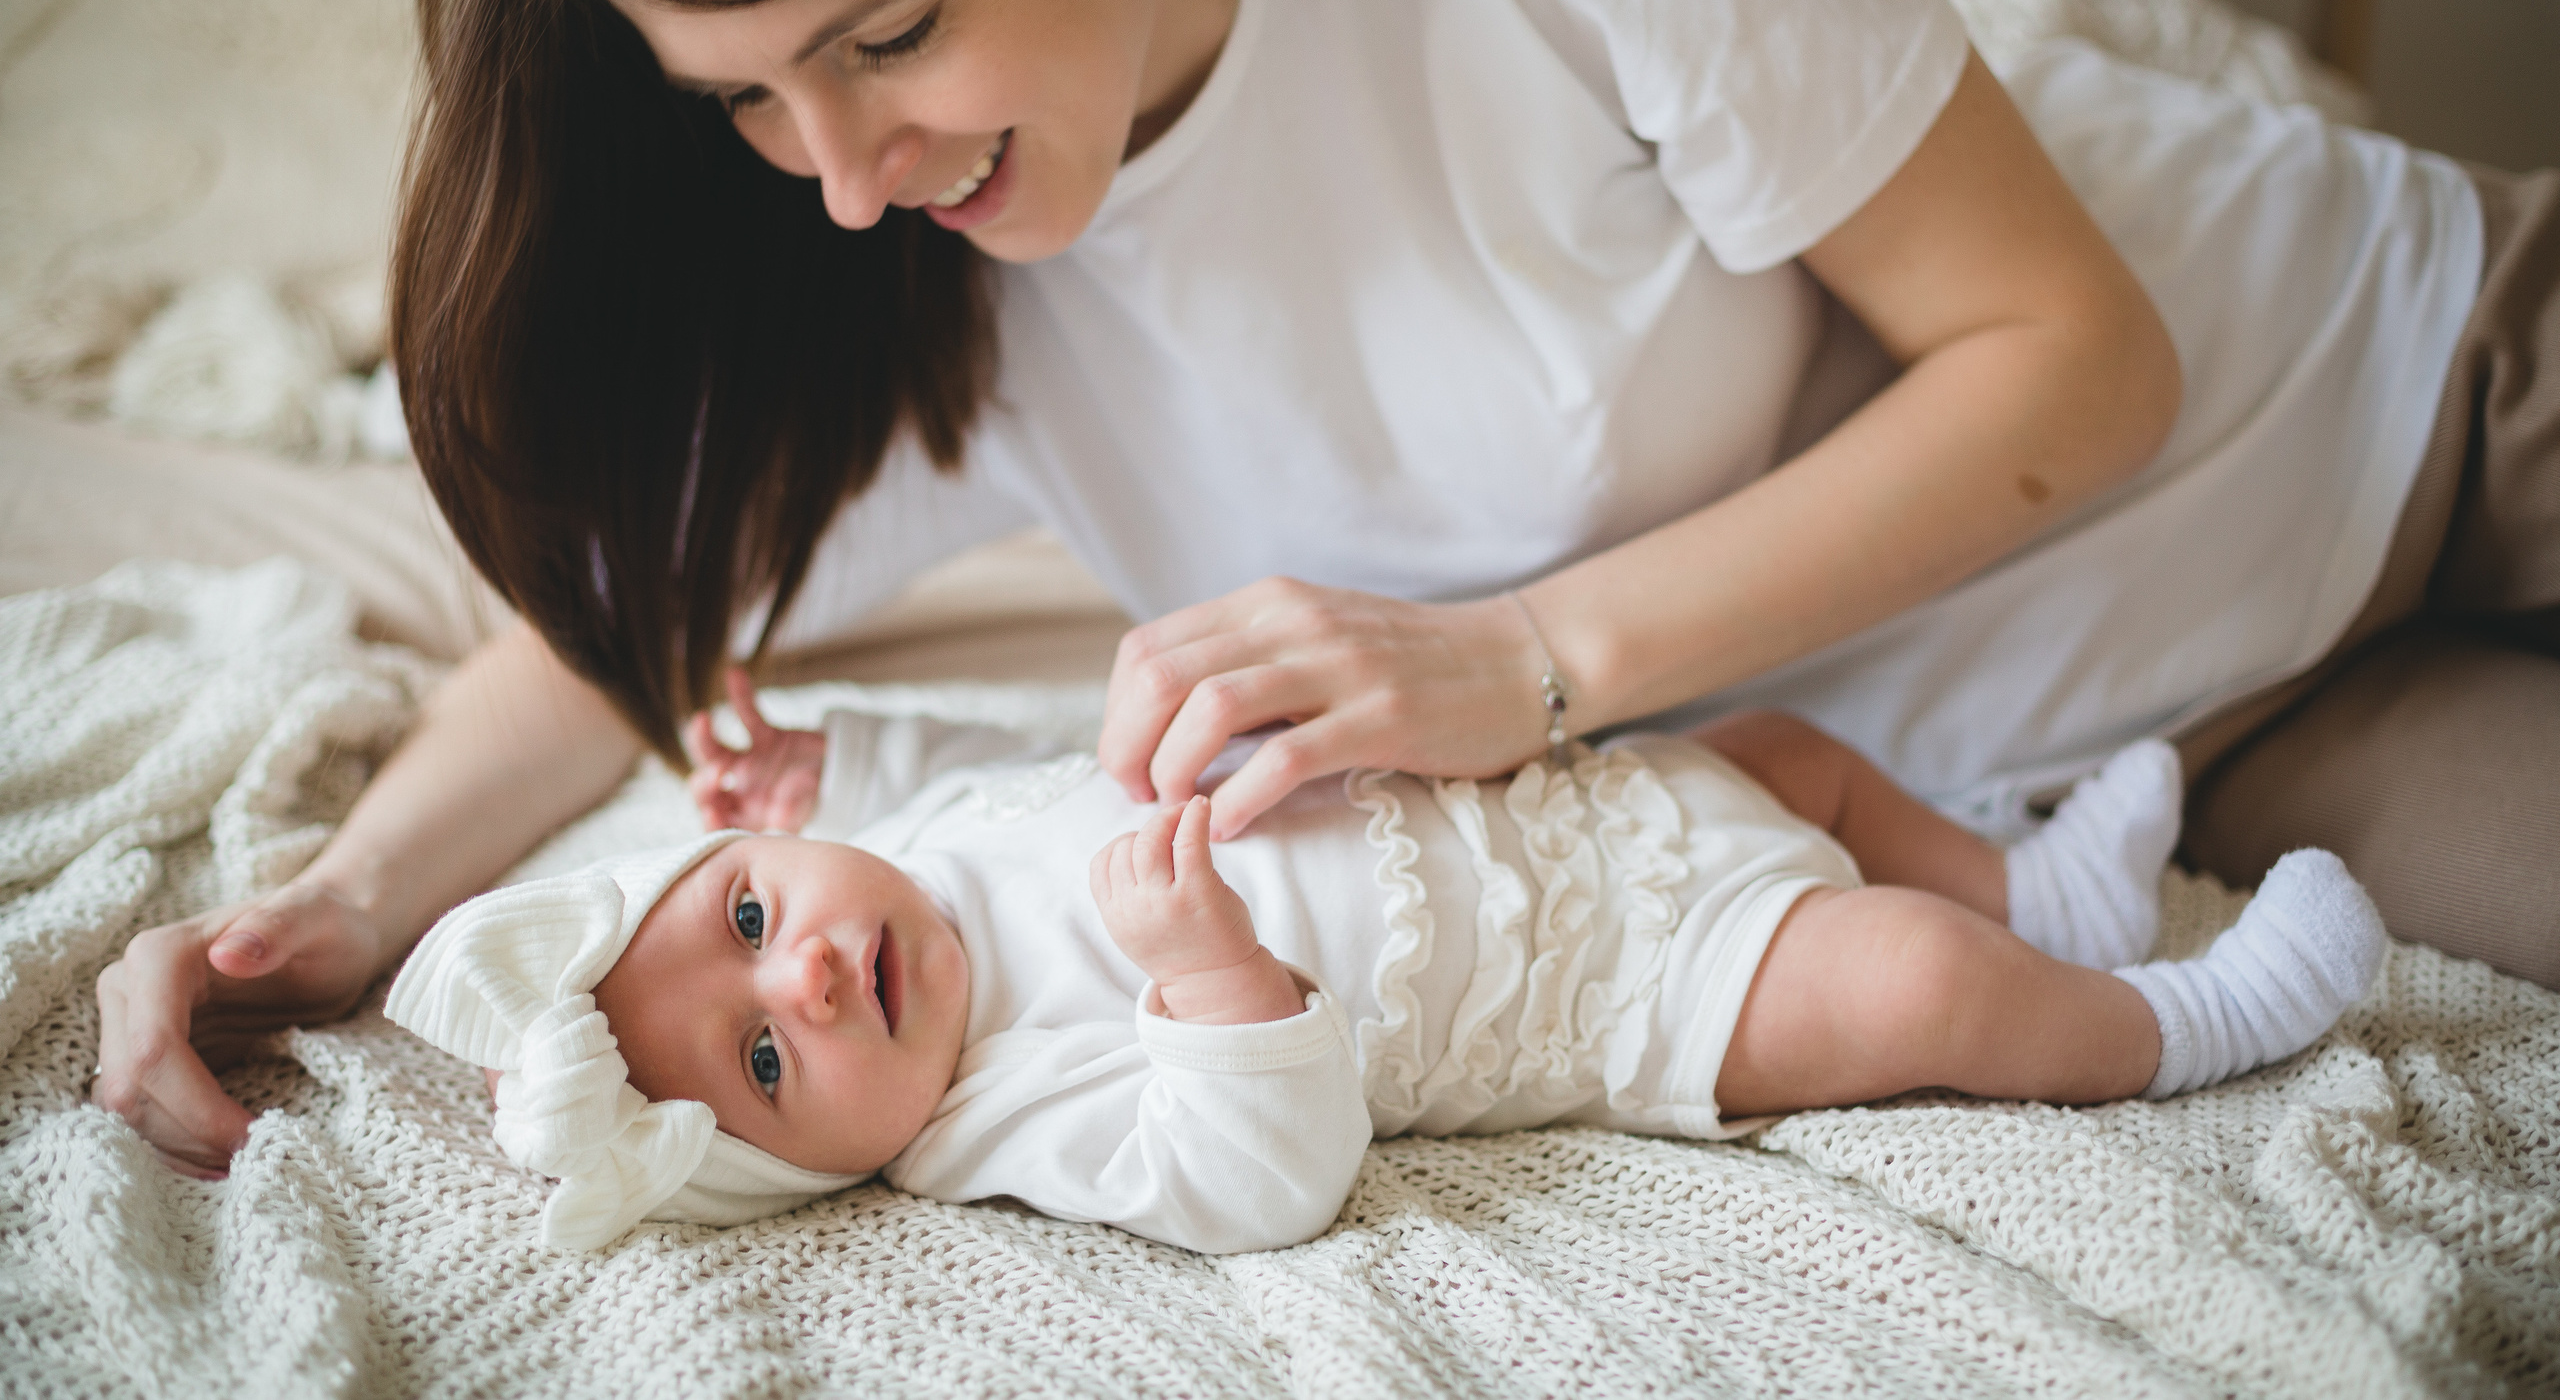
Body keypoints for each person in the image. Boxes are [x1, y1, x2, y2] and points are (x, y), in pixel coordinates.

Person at [93, 0, 2559, 1181]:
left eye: (887, 31)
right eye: (745, 99)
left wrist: (1525, 658)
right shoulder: (915, 287)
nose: (838, 174)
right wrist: (348, 897)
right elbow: (619, 610)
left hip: (2421, 375)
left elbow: (2072, 359)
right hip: (2177, 757)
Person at [384, 715, 2383, 1253]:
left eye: (746, 913)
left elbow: (985, 730)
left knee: (1800, 757)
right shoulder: (987, 1113)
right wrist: (1205, 972)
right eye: (762, 1054)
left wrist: (812, 748)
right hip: (1619, 978)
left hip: (1585, 804)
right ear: (817, 1164)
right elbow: (1258, 1175)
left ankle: (2045, 881)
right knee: (1914, 984)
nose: (809, 968)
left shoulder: (919, 836)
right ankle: (2180, 1014)